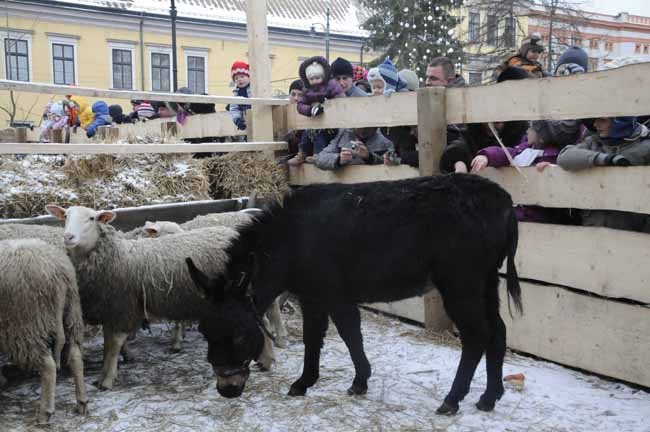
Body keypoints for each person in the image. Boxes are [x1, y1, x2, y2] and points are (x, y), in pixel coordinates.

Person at [471, 120, 581, 223]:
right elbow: (508, 153)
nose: (527, 130)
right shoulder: (524, 149)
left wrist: (551, 170)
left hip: (536, 217)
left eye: (531, 129)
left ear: (541, 138)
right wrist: (487, 156)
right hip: (517, 209)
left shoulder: (553, 157)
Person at [558, 117, 650, 232]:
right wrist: (604, 159)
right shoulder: (593, 142)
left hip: (632, 229)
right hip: (594, 224)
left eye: (602, 120)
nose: (596, 124)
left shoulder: (645, 147)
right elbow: (564, 157)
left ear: (619, 122)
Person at [439, 66, 530, 173]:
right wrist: (459, 162)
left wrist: (488, 157)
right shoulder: (475, 129)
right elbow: (460, 145)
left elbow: (519, 151)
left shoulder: (520, 129)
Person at [287, 57, 344, 166]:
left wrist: (331, 106)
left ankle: (318, 154)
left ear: (323, 76)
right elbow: (300, 105)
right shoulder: (307, 90)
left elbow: (340, 97)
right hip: (314, 118)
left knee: (320, 135)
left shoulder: (331, 85)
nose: (314, 81)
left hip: (331, 123)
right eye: (311, 79)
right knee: (307, 133)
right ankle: (301, 154)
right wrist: (310, 110)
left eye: (317, 78)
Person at [314, 127, 394, 170]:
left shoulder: (385, 140)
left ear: (376, 128)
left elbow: (395, 162)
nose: (362, 131)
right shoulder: (344, 133)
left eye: (367, 128)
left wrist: (369, 157)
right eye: (359, 127)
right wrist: (339, 159)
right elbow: (320, 159)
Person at [229, 60, 251, 131]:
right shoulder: (236, 93)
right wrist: (237, 120)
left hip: (259, 117)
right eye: (236, 78)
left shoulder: (254, 88)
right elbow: (234, 108)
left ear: (248, 77)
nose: (239, 80)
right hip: (247, 122)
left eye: (242, 76)